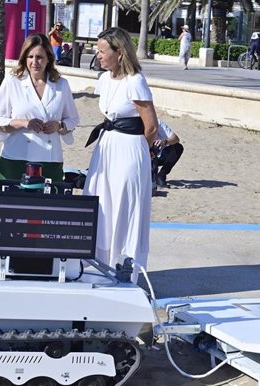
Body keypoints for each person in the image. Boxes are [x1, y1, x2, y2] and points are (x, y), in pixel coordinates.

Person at [83, 27, 158, 283]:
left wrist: (139, 151)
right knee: (101, 203)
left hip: (130, 150)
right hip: (106, 148)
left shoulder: (135, 81)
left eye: (103, 51)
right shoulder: (104, 79)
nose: (98, 55)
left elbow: (151, 127)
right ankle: (99, 266)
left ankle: (126, 269)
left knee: (124, 207)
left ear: (120, 52)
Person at [0, 33, 80, 181]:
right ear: (24, 58)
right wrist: (24, 123)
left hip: (50, 160)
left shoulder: (62, 84)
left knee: (49, 203)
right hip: (15, 158)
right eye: (30, 57)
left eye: (40, 57)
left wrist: (59, 125)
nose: (34, 62)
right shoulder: (13, 82)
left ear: (49, 58)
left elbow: (73, 119)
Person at [152, 119, 184, 188]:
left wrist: (164, 142)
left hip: (158, 155)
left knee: (178, 147)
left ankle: (161, 175)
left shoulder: (157, 122)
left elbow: (175, 139)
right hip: (143, 157)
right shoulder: (134, 123)